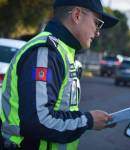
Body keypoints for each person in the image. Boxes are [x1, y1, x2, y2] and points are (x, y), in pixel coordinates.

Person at [0, 0, 119, 149]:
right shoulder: (46, 52)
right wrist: (88, 120)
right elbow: (38, 120)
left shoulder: (62, 52)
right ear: (76, 15)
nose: (98, 32)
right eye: (97, 23)